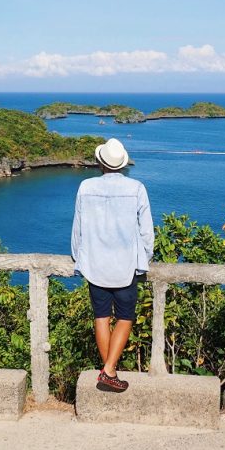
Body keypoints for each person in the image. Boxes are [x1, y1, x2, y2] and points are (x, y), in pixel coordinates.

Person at [71, 138, 154, 392]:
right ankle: (109, 371)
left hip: (95, 265)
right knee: (126, 317)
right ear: (122, 163)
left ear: (100, 162)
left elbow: (78, 228)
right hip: (126, 266)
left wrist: (78, 257)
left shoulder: (85, 187)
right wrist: (145, 259)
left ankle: (109, 371)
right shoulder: (136, 187)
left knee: (101, 317)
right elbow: (147, 232)